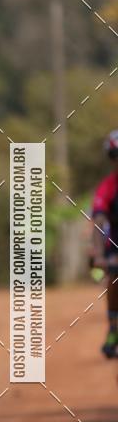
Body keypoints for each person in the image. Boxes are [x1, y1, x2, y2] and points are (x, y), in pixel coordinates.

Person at [91, 130, 118, 358]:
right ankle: (113, 329)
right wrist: (99, 255)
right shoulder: (108, 187)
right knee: (113, 279)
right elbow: (99, 221)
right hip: (115, 245)